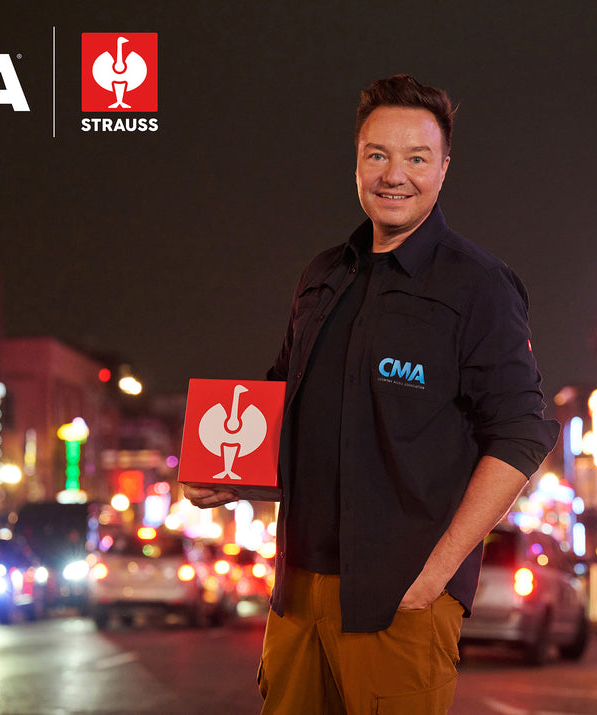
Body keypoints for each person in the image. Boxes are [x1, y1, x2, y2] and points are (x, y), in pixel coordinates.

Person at [183, 74, 559, 714]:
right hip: (297, 594)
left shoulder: (479, 285)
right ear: (356, 162)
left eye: (416, 158)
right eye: (377, 155)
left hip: (400, 598)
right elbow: (284, 406)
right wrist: (229, 476)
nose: (394, 175)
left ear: (443, 168)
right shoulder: (322, 276)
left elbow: (520, 433)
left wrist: (435, 576)